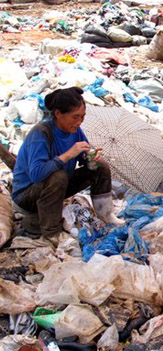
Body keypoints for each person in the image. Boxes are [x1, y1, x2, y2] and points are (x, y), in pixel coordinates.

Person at [11, 87, 124, 246]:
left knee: (100, 166)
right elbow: (36, 174)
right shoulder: (41, 134)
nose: (79, 122)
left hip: (56, 187)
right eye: (75, 117)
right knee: (58, 175)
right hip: (27, 195)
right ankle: (52, 233)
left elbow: (84, 155)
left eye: (82, 117)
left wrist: (89, 157)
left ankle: (106, 214)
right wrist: (67, 155)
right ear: (58, 114)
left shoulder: (75, 130)